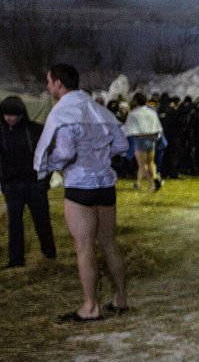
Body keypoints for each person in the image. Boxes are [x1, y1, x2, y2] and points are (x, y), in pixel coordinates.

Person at [34, 64, 129, 322]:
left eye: (49, 82)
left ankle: (91, 306)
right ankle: (120, 297)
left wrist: (52, 164)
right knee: (109, 243)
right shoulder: (97, 109)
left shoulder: (64, 112)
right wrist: (100, 158)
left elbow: (65, 152)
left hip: (79, 186)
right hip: (105, 186)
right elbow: (122, 143)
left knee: (84, 247)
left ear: (59, 84)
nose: (48, 86)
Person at [0, 96, 56, 268]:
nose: (10, 118)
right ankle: (16, 260)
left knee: (42, 220)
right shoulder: (1, 132)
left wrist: (44, 180)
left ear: (22, 114)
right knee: (14, 223)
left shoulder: (35, 131)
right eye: (7, 115)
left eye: (14, 115)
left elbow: (49, 155)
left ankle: (49, 254)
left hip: (34, 183)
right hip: (12, 185)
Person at [122, 92, 164, 191]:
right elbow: (158, 127)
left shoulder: (134, 114)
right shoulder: (152, 112)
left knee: (142, 164)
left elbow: (127, 129)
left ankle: (152, 183)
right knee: (151, 162)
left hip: (140, 139)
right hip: (152, 139)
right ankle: (152, 179)